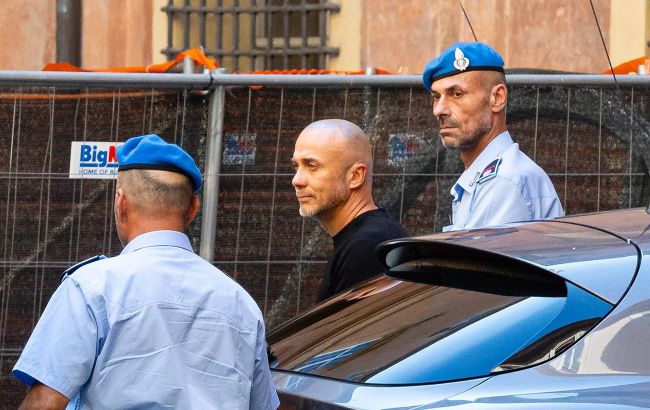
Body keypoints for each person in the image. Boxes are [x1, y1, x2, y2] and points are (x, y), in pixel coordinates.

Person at [13, 134, 279, 409]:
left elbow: (45, 403)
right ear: (193, 209)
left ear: (121, 203)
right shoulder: (242, 304)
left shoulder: (90, 289)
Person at [422, 42, 564, 232]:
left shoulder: (502, 181)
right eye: (436, 97)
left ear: (497, 98)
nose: (438, 110)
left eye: (456, 94)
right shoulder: (495, 175)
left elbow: (474, 252)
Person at [291, 119, 407, 302]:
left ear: (355, 176)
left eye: (312, 166)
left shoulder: (367, 246)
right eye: (296, 166)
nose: (296, 180)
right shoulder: (367, 239)